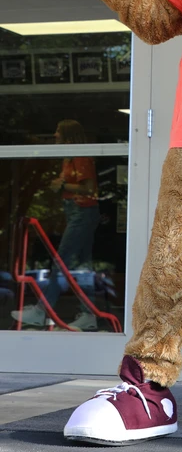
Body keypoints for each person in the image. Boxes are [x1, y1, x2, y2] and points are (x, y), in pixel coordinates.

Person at [11, 120, 100, 331]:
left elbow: (89, 188)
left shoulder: (80, 157)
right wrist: (60, 185)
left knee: (62, 261)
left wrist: (62, 185)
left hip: (83, 212)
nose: (55, 135)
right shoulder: (68, 157)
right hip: (75, 212)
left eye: (58, 132)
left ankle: (42, 310)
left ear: (68, 135)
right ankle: (89, 314)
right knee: (81, 265)